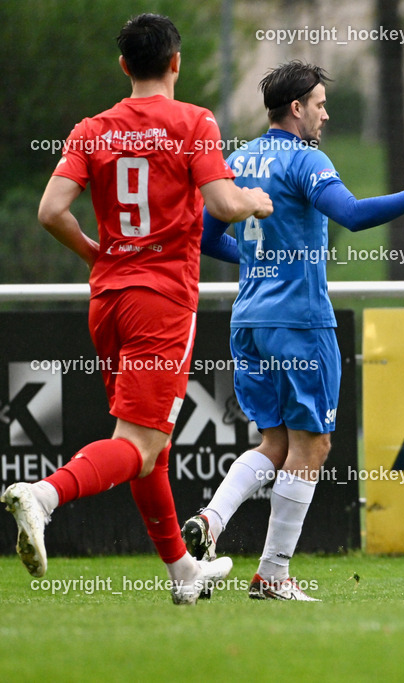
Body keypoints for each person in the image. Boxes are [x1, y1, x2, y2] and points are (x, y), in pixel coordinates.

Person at [185, 60, 404, 601]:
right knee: (314, 444)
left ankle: (210, 520)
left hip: (249, 318)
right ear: (296, 107)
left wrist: (260, 263)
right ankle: (272, 575)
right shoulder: (306, 161)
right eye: (320, 104)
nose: (325, 115)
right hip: (299, 323)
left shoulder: (238, 159)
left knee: (274, 441)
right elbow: (351, 214)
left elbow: (206, 237)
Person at [1, 14, 273, 605]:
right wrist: (253, 198)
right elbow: (224, 204)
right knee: (141, 443)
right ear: (175, 62)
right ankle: (43, 497)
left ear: (124, 66)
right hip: (162, 301)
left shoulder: (93, 129)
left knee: (151, 446)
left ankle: (182, 572)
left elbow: (51, 211)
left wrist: (96, 252)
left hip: (108, 300)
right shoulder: (193, 121)